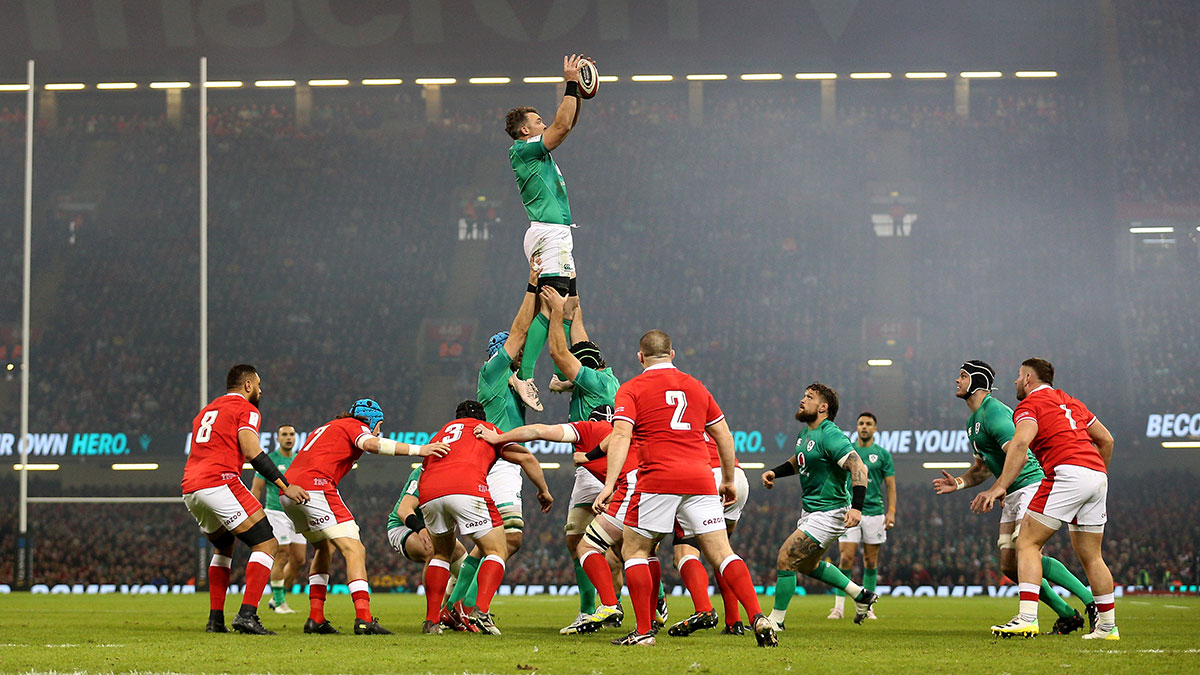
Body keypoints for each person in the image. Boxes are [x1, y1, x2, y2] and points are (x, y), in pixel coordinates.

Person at [596, 330, 777, 647]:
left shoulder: (631, 389)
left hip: (658, 478)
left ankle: (642, 633)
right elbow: (724, 435)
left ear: (640, 357)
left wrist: (610, 484)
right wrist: (729, 480)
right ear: (673, 354)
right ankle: (757, 616)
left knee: (635, 550)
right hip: (701, 479)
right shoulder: (695, 386)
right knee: (722, 553)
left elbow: (621, 436)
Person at [933, 361, 1098, 635]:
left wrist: (998, 487)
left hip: (1031, 484)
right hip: (1011, 491)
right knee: (1010, 565)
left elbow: (1019, 454)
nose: (957, 380)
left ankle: (1089, 601)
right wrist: (960, 483)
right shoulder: (973, 422)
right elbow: (983, 468)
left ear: (977, 382)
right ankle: (1067, 614)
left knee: (1027, 549)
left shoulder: (994, 412)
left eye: (963, 376)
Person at [974, 359, 1119, 640]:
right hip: (1097, 475)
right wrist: (1094, 475)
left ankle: (1027, 618)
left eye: (1018, 376)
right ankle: (1107, 627)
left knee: (1027, 543)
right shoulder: (1070, 401)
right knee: (1092, 556)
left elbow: (1019, 443)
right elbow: (1107, 440)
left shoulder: (1029, 406)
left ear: (1028, 378)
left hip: (1066, 473)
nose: (1015, 382)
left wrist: (999, 486)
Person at [281, 398, 449, 635]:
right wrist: (419, 450)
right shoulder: (355, 424)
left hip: (289, 492)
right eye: (379, 425)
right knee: (355, 550)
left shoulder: (326, 427)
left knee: (324, 548)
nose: (379, 431)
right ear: (370, 420)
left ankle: (316, 617)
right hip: (315, 488)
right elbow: (371, 444)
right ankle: (364, 618)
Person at [476, 402, 631, 635]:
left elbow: (538, 431)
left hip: (626, 488)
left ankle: (602, 607)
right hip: (650, 486)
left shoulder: (587, 428)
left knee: (585, 546)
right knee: (639, 551)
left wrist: (498, 437)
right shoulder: (627, 432)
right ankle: (651, 611)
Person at [181, 364, 310, 635]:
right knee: (267, 543)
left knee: (224, 546)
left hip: (191, 488)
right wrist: (285, 485)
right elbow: (252, 451)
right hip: (220, 481)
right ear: (248, 385)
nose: (261, 391)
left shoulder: (206, 411)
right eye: (259, 385)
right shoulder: (246, 409)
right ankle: (247, 614)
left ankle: (216, 620)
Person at [450, 263, 541, 616]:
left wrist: (549, 310)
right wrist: (531, 286)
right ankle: (473, 608)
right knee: (508, 539)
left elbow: (531, 337)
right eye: (512, 353)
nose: (519, 357)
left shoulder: (516, 381)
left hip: (505, 462)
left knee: (490, 542)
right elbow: (520, 332)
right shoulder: (491, 373)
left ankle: (458, 604)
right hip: (495, 462)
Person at [420, 400, 554, 635]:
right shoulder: (484, 430)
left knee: (441, 554)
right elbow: (527, 459)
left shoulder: (440, 434)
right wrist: (543, 490)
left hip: (430, 492)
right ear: (483, 419)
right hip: (466, 488)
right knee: (497, 550)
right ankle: (479, 611)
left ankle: (433, 620)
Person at [504, 54, 592, 408]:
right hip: (548, 233)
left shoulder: (537, 154)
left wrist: (579, 95)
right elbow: (562, 127)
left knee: (569, 306)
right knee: (550, 306)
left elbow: (565, 124)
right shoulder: (524, 150)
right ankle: (524, 375)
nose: (546, 123)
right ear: (525, 129)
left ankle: (562, 372)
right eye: (538, 120)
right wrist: (571, 84)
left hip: (557, 234)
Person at [537, 289, 621, 633]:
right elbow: (581, 340)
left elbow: (559, 352)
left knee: (602, 541)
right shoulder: (605, 375)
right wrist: (574, 305)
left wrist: (557, 312)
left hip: (598, 467)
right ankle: (596, 608)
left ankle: (599, 607)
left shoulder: (595, 381)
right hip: (601, 467)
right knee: (583, 539)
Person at [762, 383, 877, 629]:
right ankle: (861, 595)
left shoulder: (830, 433)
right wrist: (775, 472)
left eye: (809, 397)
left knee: (787, 557)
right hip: (811, 511)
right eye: (803, 395)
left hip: (830, 511)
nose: (802, 400)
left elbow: (859, 467)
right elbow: (799, 460)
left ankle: (776, 621)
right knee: (807, 565)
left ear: (823, 407)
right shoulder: (805, 435)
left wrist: (857, 507)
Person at [828, 412, 895, 621]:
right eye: (861, 423)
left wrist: (891, 511)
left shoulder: (882, 454)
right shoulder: (848, 452)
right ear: (856, 427)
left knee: (871, 561)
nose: (864, 427)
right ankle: (838, 607)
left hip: (875, 512)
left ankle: (868, 607)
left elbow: (891, 485)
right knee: (846, 558)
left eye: (868, 424)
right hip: (850, 509)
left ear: (875, 429)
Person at [385, 464, 470, 628]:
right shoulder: (424, 472)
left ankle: (450, 613)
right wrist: (420, 529)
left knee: (465, 568)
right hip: (404, 526)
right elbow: (404, 510)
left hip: (434, 528)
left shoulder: (460, 473)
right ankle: (432, 617)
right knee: (432, 551)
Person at [250, 423, 307, 614]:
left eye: (292, 434)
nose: (288, 437)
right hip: (276, 512)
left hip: (297, 514)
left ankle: (276, 597)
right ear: (277, 438)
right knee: (282, 555)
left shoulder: (301, 460)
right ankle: (280, 601)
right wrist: (253, 513)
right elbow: (257, 488)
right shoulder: (270, 461)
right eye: (284, 434)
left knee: (299, 560)